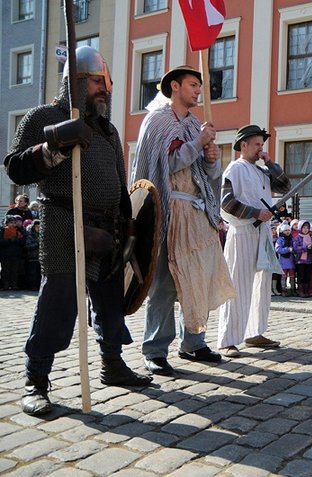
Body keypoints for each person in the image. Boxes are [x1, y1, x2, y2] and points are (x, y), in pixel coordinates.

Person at [5, 46, 152, 415]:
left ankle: (113, 364)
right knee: (58, 303)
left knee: (110, 302)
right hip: (64, 221)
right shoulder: (44, 116)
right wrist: (55, 143)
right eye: (96, 82)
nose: (104, 89)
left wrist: (128, 222)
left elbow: (120, 183)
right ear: (75, 82)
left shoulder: (108, 130)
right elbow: (16, 169)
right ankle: (35, 381)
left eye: (107, 83)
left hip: (109, 226)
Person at [129, 65, 235, 374]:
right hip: (167, 210)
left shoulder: (194, 126)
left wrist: (213, 161)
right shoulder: (158, 121)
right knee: (163, 282)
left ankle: (194, 342)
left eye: (199, 86)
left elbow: (204, 175)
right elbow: (169, 164)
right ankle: (155, 349)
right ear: (174, 86)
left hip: (196, 213)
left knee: (197, 279)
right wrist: (199, 144)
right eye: (192, 84)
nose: (198, 90)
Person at [216, 124, 291, 355]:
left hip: (263, 234)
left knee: (261, 286)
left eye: (262, 144)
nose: (260, 148)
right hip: (242, 233)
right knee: (238, 286)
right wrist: (255, 212)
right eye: (257, 144)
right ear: (243, 145)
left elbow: (284, 185)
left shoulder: (262, 171)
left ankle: (254, 332)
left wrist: (269, 162)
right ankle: (228, 339)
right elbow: (226, 203)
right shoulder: (234, 169)